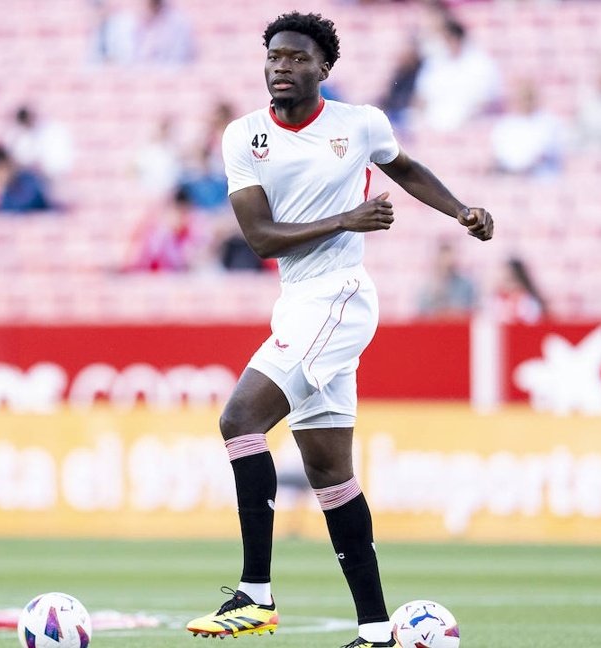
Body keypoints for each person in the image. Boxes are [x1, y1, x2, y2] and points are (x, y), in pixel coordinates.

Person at [185, 13, 493, 648]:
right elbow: (260, 237)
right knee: (329, 472)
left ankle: (256, 595)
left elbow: (404, 168)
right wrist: (346, 217)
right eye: (274, 56)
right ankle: (378, 631)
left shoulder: (360, 124)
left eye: (297, 58)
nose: (281, 67)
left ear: (324, 69)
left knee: (239, 420)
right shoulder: (244, 137)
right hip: (297, 298)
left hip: (340, 296)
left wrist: (461, 209)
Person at [412, 16, 500, 132]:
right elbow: (420, 97)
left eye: (447, 39)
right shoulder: (434, 63)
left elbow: (487, 100)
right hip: (434, 123)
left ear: (457, 39)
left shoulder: (481, 63)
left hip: (470, 124)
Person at [489, 80, 563, 177]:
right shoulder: (505, 124)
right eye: (522, 98)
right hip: (510, 175)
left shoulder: (548, 123)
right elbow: (500, 154)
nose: (525, 102)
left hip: (539, 176)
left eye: (528, 98)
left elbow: (543, 152)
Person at [417, 241, 477, 319]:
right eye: (443, 258)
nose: (446, 262)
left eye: (449, 258)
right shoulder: (426, 288)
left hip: (459, 327)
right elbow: (421, 315)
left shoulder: (466, 285)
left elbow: (472, 311)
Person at [489, 257, 546, 325]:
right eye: (506, 280)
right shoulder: (497, 298)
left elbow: (533, 322)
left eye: (512, 281)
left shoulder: (527, 299)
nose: (510, 286)